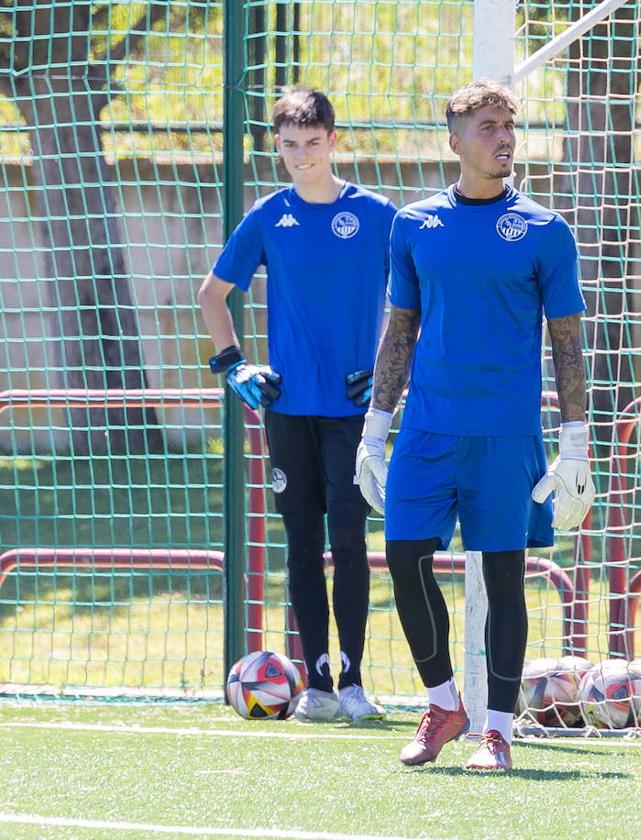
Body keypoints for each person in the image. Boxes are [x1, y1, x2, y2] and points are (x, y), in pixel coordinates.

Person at [355, 80, 593, 771]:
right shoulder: (413, 224)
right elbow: (400, 329)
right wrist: (376, 428)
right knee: (404, 560)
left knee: (504, 576)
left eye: (509, 126)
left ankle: (497, 730)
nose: (503, 138)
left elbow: (567, 342)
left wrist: (575, 443)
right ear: (454, 139)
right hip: (427, 432)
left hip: (506, 435)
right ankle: (443, 703)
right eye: (487, 126)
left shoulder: (547, 231)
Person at [197, 87, 397, 723]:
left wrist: (397, 373)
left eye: (313, 143)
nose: (302, 155)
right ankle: (313, 682)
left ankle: (357, 681)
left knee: (350, 539)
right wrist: (236, 367)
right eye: (289, 145)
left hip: (352, 411)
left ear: (334, 141)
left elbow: (422, 299)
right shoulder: (267, 215)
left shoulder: (378, 215)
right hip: (285, 408)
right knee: (302, 544)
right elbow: (212, 294)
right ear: (275, 145)